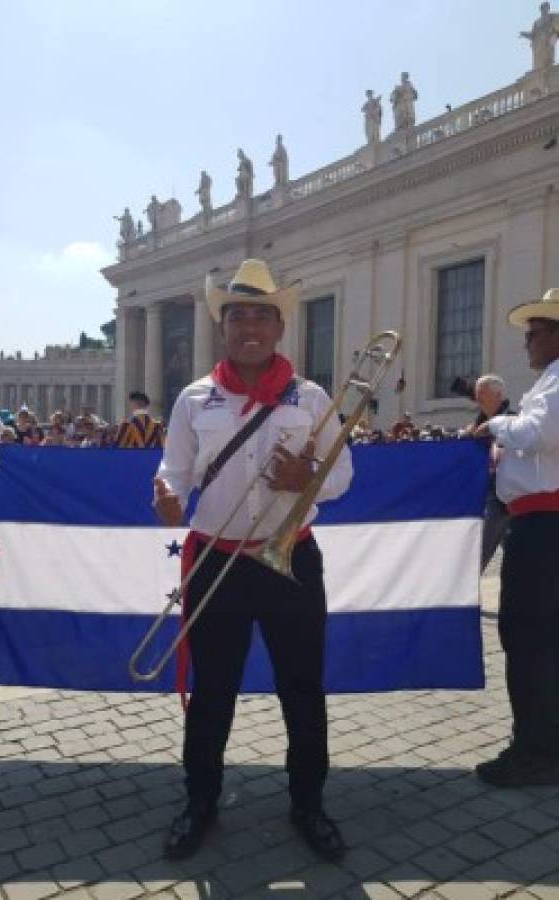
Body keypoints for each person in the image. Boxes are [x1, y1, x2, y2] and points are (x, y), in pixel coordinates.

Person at [153, 259, 353, 862]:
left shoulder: (313, 396)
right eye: (238, 314)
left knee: (301, 687)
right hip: (215, 561)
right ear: (223, 324)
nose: (250, 325)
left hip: (292, 557)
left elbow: (342, 475)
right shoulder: (194, 398)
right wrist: (164, 495)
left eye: (262, 315)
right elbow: (174, 471)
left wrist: (308, 477)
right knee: (214, 690)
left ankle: (309, 804)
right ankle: (201, 801)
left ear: (279, 326)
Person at [474, 288, 559, 786]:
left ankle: (535, 751)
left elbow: (538, 435)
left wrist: (494, 425)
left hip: (543, 529)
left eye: (536, 333)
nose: (527, 342)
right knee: (543, 640)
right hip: (539, 523)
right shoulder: (547, 379)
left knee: (528, 639)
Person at [468, 374, 513, 572]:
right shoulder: (477, 424)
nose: (478, 398)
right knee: (514, 552)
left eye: (482, 393)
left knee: (479, 552)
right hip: (487, 493)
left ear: (498, 395)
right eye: (477, 393)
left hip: (502, 496)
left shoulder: (512, 420)